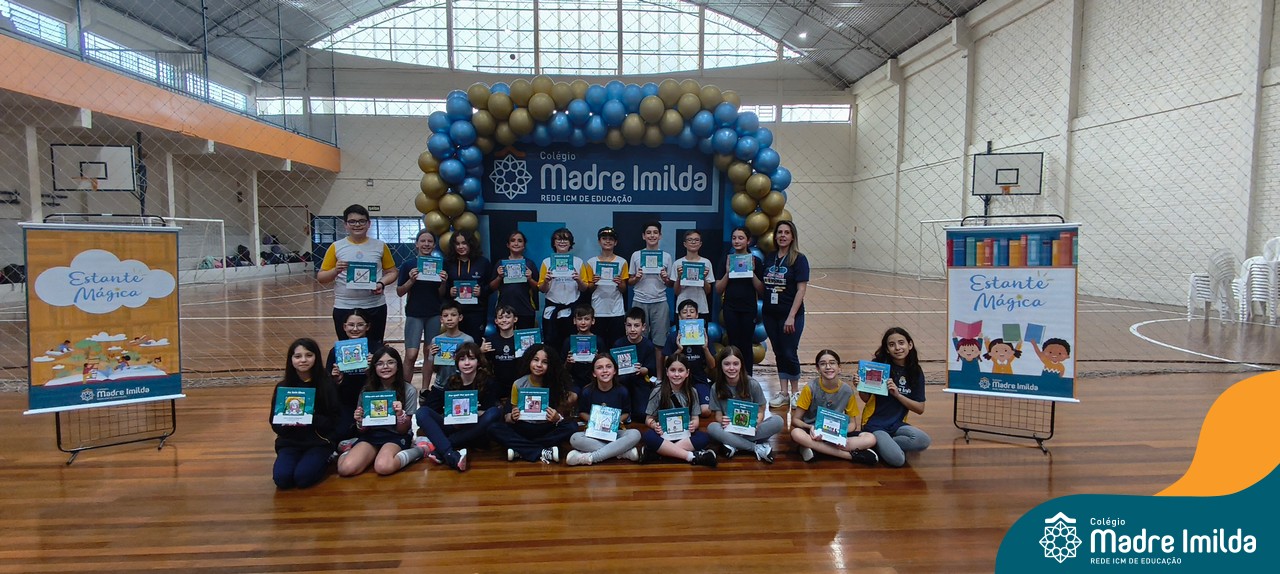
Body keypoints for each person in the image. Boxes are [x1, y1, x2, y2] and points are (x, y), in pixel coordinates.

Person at [316, 204, 398, 351]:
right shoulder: (336, 247)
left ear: (369, 224)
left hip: (374, 305)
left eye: (361, 221)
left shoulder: (380, 246)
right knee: (348, 352)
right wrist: (335, 270)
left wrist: (381, 283)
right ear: (345, 225)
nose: (357, 225)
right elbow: (321, 277)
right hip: (344, 306)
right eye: (352, 221)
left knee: (375, 350)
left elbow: (392, 272)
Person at [414, 342, 503, 471]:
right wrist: (453, 417)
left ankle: (443, 449)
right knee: (422, 412)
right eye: (462, 359)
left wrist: (472, 413)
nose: (467, 363)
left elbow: (490, 412)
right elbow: (444, 410)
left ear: (478, 362)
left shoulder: (487, 381)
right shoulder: (452, 381)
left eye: (471, 358)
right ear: (457, 362)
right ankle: (450, 454)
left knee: (495, 412)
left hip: (476, 429)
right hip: (454, 427)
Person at [337, 347, 422, 477]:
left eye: (390, 362)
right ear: (374, 367)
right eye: (380, 363)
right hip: (371, 435)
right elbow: (362, 430)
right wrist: (360, 421)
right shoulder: (367, 390)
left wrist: (400, 415)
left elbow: (403, 430)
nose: (385, 367)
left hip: (395, 435)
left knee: (383, 467)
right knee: (345, 469)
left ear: (398, 366)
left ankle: (419, 450)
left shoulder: (408, 390)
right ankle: (353, 449)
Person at [270, 338, 341, 489]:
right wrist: (286, 422)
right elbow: (274, 423)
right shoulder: (283, 387)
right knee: (282, 479)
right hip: (290, 443)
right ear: (291, 360)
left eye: (309, 355)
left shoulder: (326, 384)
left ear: (316, 357)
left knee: (303, 478)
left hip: (319, 442)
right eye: (298, 356)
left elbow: (334, 421)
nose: (303, 360)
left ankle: (328, 457)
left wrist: (310, 418)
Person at [489, 344, 578, 463]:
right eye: (535, 360)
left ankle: (521, 450)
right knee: (493, 428)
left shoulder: (556, 384)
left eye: (545, 362)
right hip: (523, 427)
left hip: (546, 428)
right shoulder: (518, 384)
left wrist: (557, 418)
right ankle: (542, 451)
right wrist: (513, 416)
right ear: (529, 361)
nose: (539, 365)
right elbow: (510, 417)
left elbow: (560, 417)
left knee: (572, 427)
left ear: (551, 365)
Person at [789, 349, 879, 465]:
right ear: (817, 369)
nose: (828, 367)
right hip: (813, 433)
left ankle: (816, 449)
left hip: (835, 433)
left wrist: (840, 433)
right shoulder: (810, 388)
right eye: (823, 364)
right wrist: (810, 427)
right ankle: (850, 456)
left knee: (870, 438)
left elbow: (853, 424)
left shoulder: (847, 391)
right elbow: (795, 420)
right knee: (796, 433)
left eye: (832, 363)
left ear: (839, 367)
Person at [860, 328, 931, 468]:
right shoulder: (878, 367)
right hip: (875, 425)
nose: (897, 348)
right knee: (898, 460)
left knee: (923, 440)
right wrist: (860, 386)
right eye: (892, 345)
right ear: (887, 349)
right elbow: (866, 399)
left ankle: (880, 444)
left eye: (901, 343)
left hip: (897, 424)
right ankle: (880, 443)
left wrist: (898, 395)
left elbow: (920, 408)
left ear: (910, 345)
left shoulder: (915, 371)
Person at [705, 345, 782, 463]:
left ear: (741, 365)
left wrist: (757, 421)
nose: (731, 368)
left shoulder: (752, 384)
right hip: (730, 428)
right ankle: (756, 447)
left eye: (735, 364)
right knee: (712, 428)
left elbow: (761, 410)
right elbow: (718, 415)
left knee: (778, 421)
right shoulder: (716, 387)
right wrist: (722, 420)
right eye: (727, 364)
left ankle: (733, 443)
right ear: (721, 365)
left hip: (751, 429)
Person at [762, 220, 809, 408]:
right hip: (770, 314)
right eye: (779, 232)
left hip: (791, 315)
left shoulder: (799, 259)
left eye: (786, 232)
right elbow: (763, 285)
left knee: (790, 352)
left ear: (792, 236)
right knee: (779, 352)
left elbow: (801, 290)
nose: (782, 235)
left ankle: (796, 392)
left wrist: (791, 316)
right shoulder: (769, 257)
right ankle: (783, 393)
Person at [565, 354, 643, 465]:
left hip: (615, 432)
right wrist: (595, 421)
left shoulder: (622, 391)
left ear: (615, 371)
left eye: (608, 366)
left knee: (635, 434)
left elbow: (626, 413)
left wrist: (616, 421)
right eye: (599, 368)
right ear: (594, 373)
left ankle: (591, 457)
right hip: (594, 433)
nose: (605, 370)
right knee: (575, 438)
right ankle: (622, 452)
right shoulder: (587, 391)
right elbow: (582, 412)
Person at [641, 354, 717, 467]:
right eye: (673, 370)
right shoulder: (657, 391)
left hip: (684, 435)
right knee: (648, 436)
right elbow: (649, 419)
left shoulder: (692, 392)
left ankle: (661, 453)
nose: (676, 374)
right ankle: (691, 456)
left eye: (681, 370)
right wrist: (654, 425)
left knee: (704, 437)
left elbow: (695, 418)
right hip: (663, 435)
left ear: (687, 373)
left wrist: (693, 425)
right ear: (667, 372)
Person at [397, 229, 448, 382]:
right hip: (414, 313)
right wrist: (411, 280)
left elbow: (441, 294)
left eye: (430, 241)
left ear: (434, 245)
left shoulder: (439, 265)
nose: (426, 244)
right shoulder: (408, 265)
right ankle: (405, 389)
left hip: (434, 314)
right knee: (411, 354)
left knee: (430, 353)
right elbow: (400, 292)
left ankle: (425, 389)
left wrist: (443, 282)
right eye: (423, 241)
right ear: (416, 244)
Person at [715, 226, 764, 376]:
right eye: (734, 238)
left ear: (748, 241)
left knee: (746, 344)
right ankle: (732, 376)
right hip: (731, 308)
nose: (737, 241)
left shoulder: (755, 261)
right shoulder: (726, 260)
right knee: (733, 344)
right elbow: (718, 289)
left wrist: (752, 272)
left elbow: (761, 290)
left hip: (749, 309)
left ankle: (747, 378)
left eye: (741, 238)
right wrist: (728, 272)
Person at [663, 298, 715, 416]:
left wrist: (705, 348)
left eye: (692, 312)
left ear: (697, 315)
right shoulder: (673, 336)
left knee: (706, 411)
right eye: (684, 312)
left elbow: (712, 365)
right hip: (677, 380)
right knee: (674, 409)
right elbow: (666, 363)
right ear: (679, 317)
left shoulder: (704, 336)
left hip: (699, 380)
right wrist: (679, 350)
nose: (688, 315)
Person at [537, 228, 587, 350]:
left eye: (566, 239)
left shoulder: (578, 262)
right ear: (554, 243)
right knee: (551, 346)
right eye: (558, 239)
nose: (562, 242)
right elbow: (542, 289)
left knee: (570, 345)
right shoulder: (547, 262)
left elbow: (584, 288)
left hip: (571, 309)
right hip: (552, 309)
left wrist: (578, 279)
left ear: (570, 243)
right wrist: (546, 281)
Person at [326, 309, 371, 442]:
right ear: (344, 327)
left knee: (372, 431)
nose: (355, 329)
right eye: (351, 325)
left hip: (369, 401)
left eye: (360, 325)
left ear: (368, 327)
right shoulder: (335, 351)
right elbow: (326, 383)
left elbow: (390, 380)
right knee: (341, 432)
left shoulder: (376, 350)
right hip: (345, 402)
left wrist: (375, 368)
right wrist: (335, 380)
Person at [582, 226, 629, 351]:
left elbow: (624, 289)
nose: (607, 241)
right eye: (604, 238)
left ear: (615, 242)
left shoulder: (622, 262)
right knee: (599, 345)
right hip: (598, 310)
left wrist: (620, 283)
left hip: (617, 311)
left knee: (616, 345)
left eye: (611, 239)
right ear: (599, 241)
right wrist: (594, 283)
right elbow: (589, 289)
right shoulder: (591, 262)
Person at [627, 221, 673, 347]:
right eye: (648, 233)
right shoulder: (636, 255)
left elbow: (671, 284)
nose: (652, 235)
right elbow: (629, 282)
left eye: (655, 233)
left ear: (660, 235)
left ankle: (658, 362)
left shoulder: (666, 257)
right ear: (643, 236)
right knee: (638, 339)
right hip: (639, 301)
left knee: (660, 342)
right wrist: (636, 278)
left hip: (660, 302)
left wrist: (665, 278)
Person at [444, 232, 492, 343]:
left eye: (464, 243)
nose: (461, 247)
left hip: (476, 312)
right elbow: (442, 287)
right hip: (455, 312)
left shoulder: (483, 262)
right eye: (457, 244)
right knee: (456, 344)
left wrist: (481, 291)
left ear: (471, 244)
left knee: (475, 343)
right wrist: (449, 291)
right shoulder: (448, 263)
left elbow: (491, 286)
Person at [614, 307, 658, 421]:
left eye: (636, 325)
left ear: (643, 327)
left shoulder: (648, 345)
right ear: (625, 326)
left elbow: (651, 369)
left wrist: (643, 370)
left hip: (640, 383)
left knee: (642, 414)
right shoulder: (619, 344)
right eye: (629, 325)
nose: (632, 329)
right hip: (622, 383)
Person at [422, 301, 478, 389]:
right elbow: (434, 369)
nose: (449, 319)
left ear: (460, 317)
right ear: (441, 319)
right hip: (440, 385)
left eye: (453, 315)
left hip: (462, 386)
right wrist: (433, 357)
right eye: (445, 316)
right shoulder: (436, 340)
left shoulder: (468, 340)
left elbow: (472, 365)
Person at [489, 230, 538, 330]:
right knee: (505, 338)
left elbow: (538, 287)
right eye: (513, 240)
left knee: (525, 339)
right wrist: (499, 277)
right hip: (504, 311)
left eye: (520, 241)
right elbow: (491, 287)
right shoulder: (500, 263)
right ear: (508, 245)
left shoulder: (530, 264)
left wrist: (530, 279)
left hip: (525, 310)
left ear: (524, 245)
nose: (516, 243)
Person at [673, 229, 716, 324]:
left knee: (701, 333)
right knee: (681, 333)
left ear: (700, 244)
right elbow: (676, 292)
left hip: (701, 307)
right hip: (682, 308)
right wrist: (679, 277)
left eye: (696, 240)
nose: (693, 242)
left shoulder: (706, 263)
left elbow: (708, 291)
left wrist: (703, 278)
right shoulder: (678, 263)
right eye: (690, 240)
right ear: (685, 244)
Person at [487, 304, 523, 402]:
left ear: (515, 319)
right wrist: (481, 351)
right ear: (496, 321)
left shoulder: (522, 339)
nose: (504, 320)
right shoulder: (490, 340)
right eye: (500, 317)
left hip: (518, 382)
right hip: (497, 383)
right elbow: (484, 363)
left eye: (508, 317)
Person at [562, 305, 598, 395]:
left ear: (593, 321)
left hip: (594, 381)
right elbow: (563, 370)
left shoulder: (598, 341)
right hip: (574, 381)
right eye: (579, 319)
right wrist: (568, 362)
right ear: (574, 321)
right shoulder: (568, 342)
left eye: (587, 319)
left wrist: (597, 360)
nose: (583, 322)